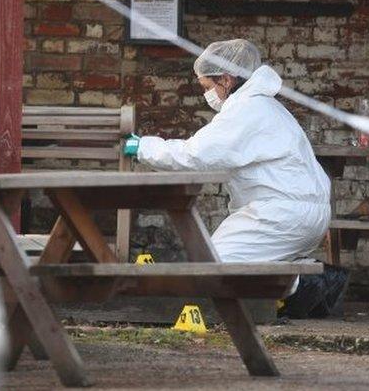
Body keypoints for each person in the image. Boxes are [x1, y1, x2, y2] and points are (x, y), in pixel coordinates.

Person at [124, 39, 339, 314]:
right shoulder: (266, 107)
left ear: (225, 78)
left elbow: (195, 155)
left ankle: (309, 283)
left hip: (280, 215)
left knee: (210, 273)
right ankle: (299, 280)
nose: (207, 95)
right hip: (298, 214)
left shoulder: (248, 110)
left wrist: (143, 147)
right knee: (224, 266)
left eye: (206, 87)